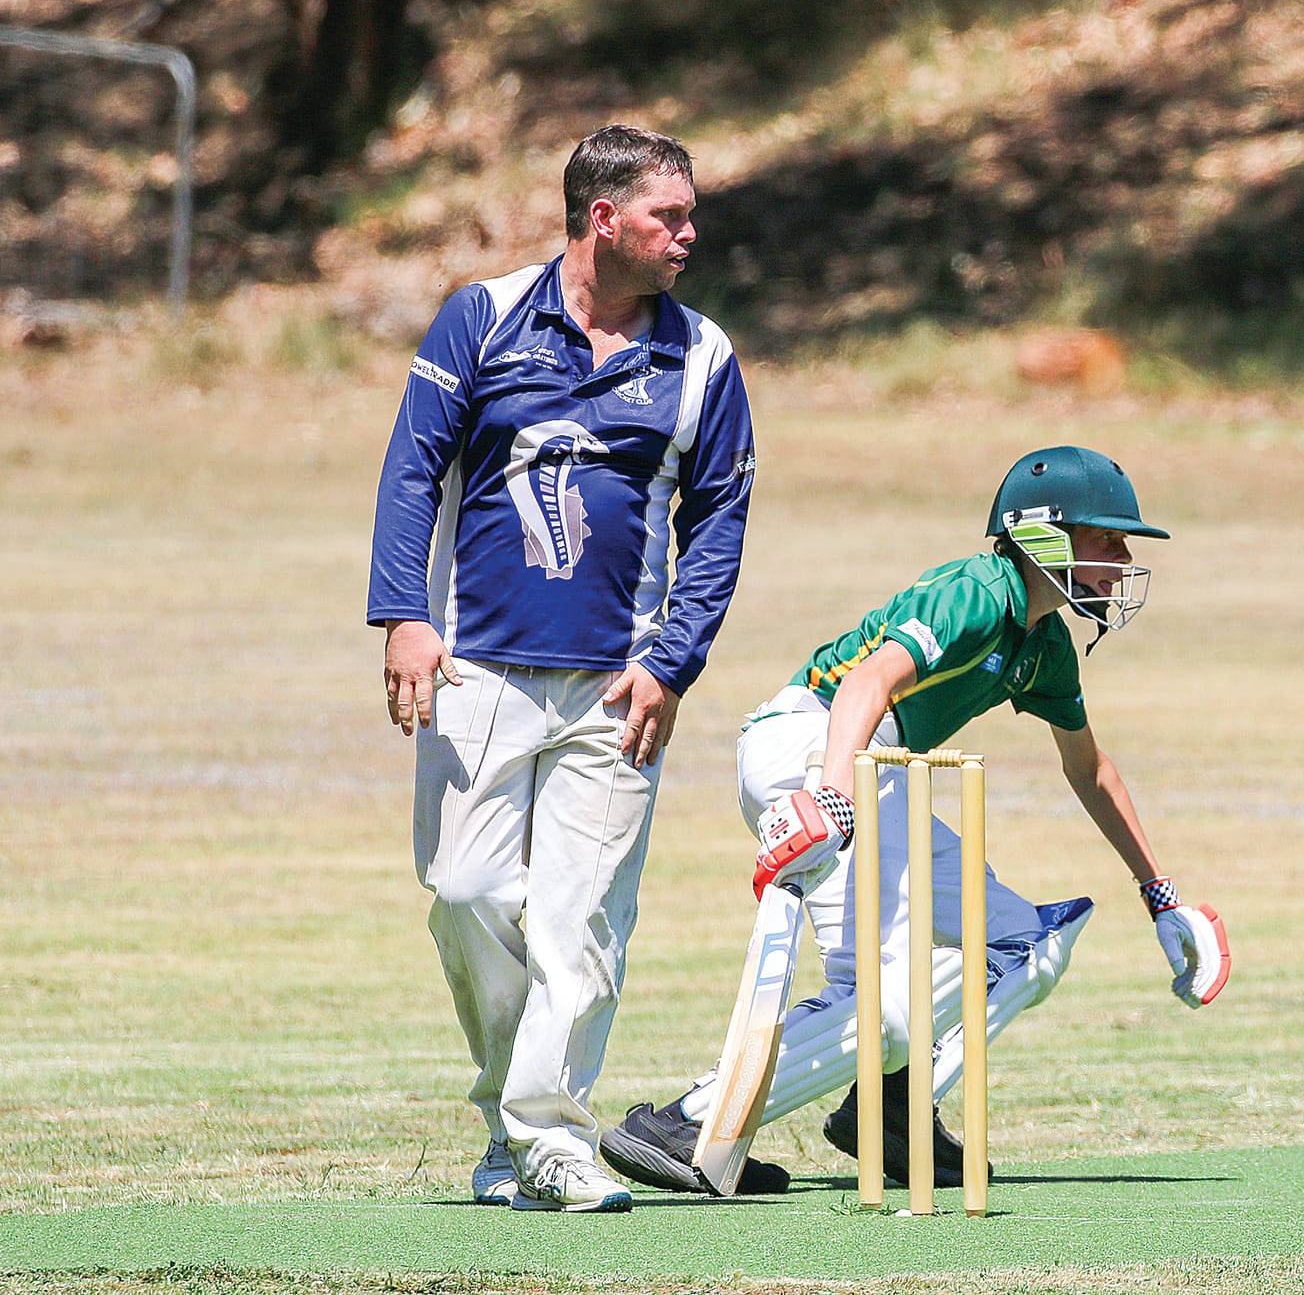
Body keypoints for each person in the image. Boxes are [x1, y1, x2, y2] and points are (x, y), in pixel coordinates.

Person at [599, 445, 1226, 1197]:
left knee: (1030, 941)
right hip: (818, 743)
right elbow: (866, 684)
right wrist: (834, 796)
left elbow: (1090, 770)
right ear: (1044, 533)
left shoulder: (1045, 645)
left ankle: (892, 1109)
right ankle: (685, 1126)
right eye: (1108, 541)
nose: (1122, 563)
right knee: (885, 1003)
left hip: (875, 768)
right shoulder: (976, 591)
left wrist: (1161, 896)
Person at [366, 125, 757, 1214]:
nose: (689, 234)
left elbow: (719, 520)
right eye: (669, 216)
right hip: (475, 670)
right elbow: (412, 470)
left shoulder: (702, 355)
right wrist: (402, 615)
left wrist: (673, 661)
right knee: (467, 894)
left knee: (579, 923)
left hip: (618, 687)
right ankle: (509, 1119)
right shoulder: (482, 318)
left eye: (689, 215)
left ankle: (548, 1138)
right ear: (603, 218)